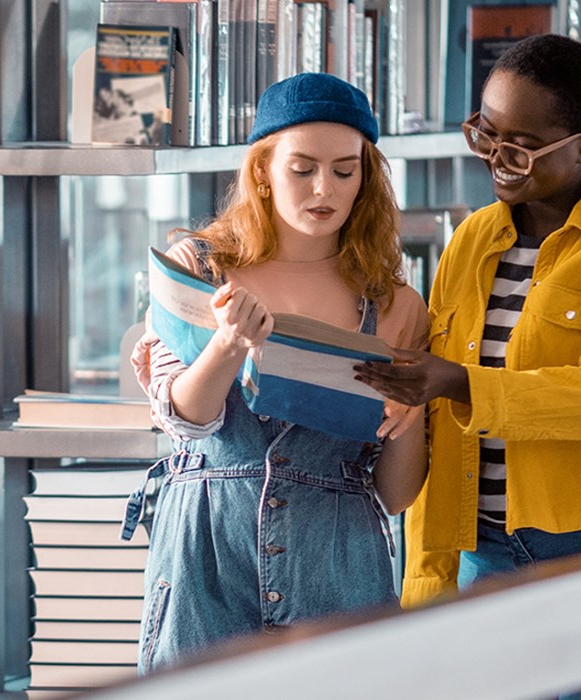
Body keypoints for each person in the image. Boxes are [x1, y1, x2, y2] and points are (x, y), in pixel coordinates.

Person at [352, 34, 581, 699]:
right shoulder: (469, 243)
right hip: (487, 554)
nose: (497, 158)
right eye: (486, 133)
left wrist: (456, 381)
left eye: (521, 144)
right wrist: (427, 589)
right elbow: (442, 430)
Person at [119, 72, 430, 674]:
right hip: (206, 560)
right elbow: (184, 420)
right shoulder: (198, 268)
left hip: (339, 565)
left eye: (346, 170)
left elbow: (395, 495)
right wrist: (228, 345)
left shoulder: (395, 305)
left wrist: (411, 414)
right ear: (262, 170)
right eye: (302, 168)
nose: (325, 188)